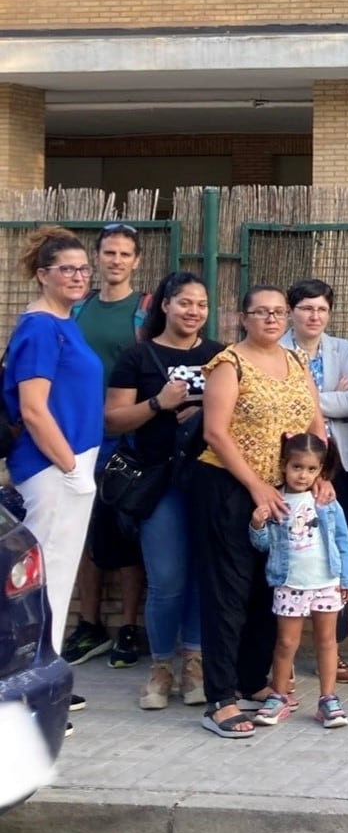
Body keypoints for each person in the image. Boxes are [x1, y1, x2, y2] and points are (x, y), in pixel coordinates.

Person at [189, 285, 330, 738]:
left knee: (266, 591)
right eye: (260, 312)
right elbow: (215, 432)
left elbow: (314, 422)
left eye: (278, 312)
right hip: (230, 488)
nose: (271, 319)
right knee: (228, 592)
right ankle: (221, 699)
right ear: (242, 317)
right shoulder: (228, 364)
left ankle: (253, 680)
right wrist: (254, 486)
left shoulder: (295, 362)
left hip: (282, 493)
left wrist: (319, 473)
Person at [104, 272, 223, 710]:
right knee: (168, 578)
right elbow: (112, 420)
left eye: (201, 304)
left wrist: (199, 409)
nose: (194, 311)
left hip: (209, 479)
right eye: (185, 302)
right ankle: (160, 666)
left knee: (199, 573)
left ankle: (193, 660)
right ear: (166, 306)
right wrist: (158, 404)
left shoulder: (220, 356)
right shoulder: (138, 357)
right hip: (161, 482)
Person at [4, 228, 103, 690]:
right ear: (43, 275)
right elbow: (33, 409)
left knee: (58, 578)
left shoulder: (65, 321)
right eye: (67, 268)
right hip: (52, 470)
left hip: (69, 464)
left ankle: (46, 681)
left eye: (84, 268)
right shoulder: (41, 327)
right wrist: (70, 468)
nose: (78, 276)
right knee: (45, 582)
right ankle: (34, 686)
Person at [66, 222, 151, 671]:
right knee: (84, 534)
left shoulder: (145, 310)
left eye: (124, 254)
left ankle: (129, 628)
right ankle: (89, 623)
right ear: (97, 258)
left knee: (126, 532)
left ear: (136, 261)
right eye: (109, 253)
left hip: (130, 438)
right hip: (80, 439)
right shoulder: (78, 309)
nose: (116, 261)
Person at [281, 279, 348, 684]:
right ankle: (285, 654)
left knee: (333, 547)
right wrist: (328, 395)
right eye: (306, 308)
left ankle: (336, 648)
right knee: (290, 550)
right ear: (291, 311)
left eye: (322, 309)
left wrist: (306, 396)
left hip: (336, 466)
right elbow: (280, 409)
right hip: (288, 468)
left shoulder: (343, 350)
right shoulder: (275, 349)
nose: (314, 316)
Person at [250, 432, 348, 730]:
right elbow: (263, 546)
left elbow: (342, 540)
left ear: (321, 471)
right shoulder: (276, 500)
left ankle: (328, 699)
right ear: (284, 465)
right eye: (297, 467)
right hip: (290, 583)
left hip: (326, 582)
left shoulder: (326, 500)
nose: (303, 475)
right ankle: (279, 696)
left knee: (327, 642)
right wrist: (257, 525)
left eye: (311, 469)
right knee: (286, 643)